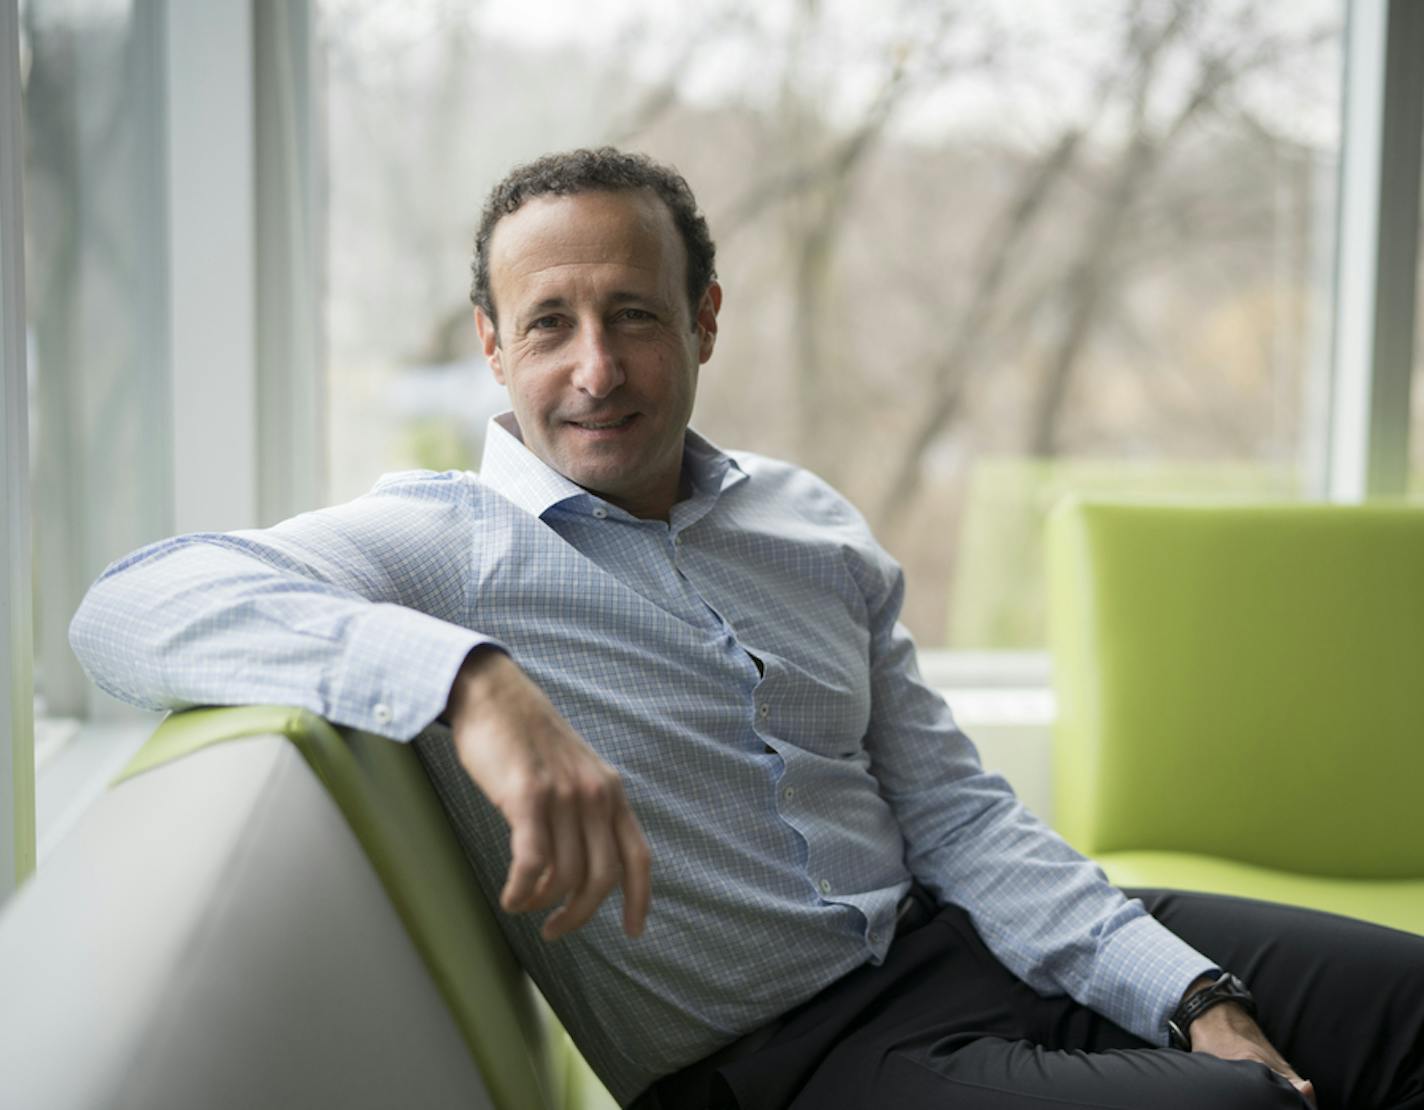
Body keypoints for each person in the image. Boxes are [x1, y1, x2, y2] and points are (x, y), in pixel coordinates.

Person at [71, 147, 1424, 1110]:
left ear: (705, 321)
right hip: (789, 1062)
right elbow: (126, 610)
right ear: (492, 345)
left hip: (965, 935)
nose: (593, 368)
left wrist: (1186, 992)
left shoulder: (805, 518)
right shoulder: (436, 548)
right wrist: (472, 680)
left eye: (634, 316)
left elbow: (959, 815)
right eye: (549, 324)